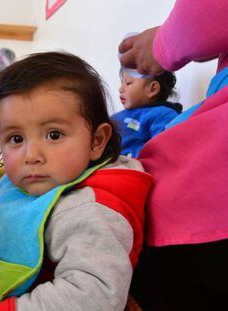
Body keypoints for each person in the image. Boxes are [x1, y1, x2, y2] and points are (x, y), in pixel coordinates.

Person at [0, 52, 153, 310]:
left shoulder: (91, 212)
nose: (32, 156)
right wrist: (9, 188)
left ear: (96, 141)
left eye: (54, 134)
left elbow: (92, 296)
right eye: (16, 139)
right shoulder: (54, 177)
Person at [119, 1, 228, 309]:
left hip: (202, 233)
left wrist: (163, 42)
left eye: (129, 82)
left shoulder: (156, 116)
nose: (121, 89)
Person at [111, 69, 181, 157]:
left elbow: (164, 148)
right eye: (122, 83)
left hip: (132, 166)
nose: (120, 89)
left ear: (153, 89)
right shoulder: (117, 116)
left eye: (128, 83)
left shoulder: (162, 114)